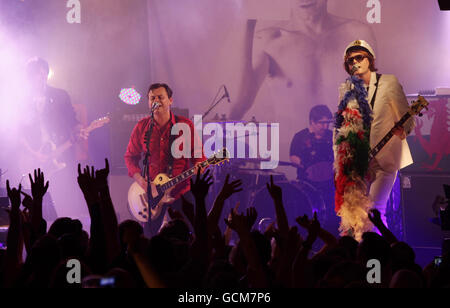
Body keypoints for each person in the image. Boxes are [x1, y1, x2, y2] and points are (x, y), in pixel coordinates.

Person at [229, 0, 376, 161]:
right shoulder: (270, 40)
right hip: (291, 165)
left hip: (346, 162)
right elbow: (239, 104)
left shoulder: (357, 34)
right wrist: (247, 24)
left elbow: (371, 104)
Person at [335, 40, 414, 237]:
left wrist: (401, 129)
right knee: (354, 214)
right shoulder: (347, 89)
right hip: (357, 162)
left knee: (374, 212)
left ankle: (377, 253)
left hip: (384, 159)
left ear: (369, 59)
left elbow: (407, 118)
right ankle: (356, 254)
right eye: (350, 60)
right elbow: (341, 127)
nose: (355, 62)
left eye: (359, 57)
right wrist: (340, 161)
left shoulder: (389, 82)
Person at [124, 83, 206, 237]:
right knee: (148, 237)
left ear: (170, 101)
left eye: (161, 97)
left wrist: (200, 166)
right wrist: (143, 182)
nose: (156, 101)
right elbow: (130, 157)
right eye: (152, 98)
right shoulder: (142, 127)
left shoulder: (184, 125)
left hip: (181, 190)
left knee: (193, 234)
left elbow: (199, 155)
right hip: (151, 194)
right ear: (148, 102)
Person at [17, 57, 87, 219]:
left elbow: (72, 120)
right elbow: (18, 133)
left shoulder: (60, 96)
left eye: (44, 73)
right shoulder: (22, 100)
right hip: (33, 158)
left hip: (59, 157)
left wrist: (79, 129)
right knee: (34, 204)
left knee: (64, 200)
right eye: (37, 74)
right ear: (29, 77)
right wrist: (34, 154)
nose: (41, 77)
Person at [289, 104, 338, 234]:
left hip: (329, 185)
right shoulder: (300, 137)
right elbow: (293, 156)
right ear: (312, 121)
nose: (325, 126)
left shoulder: (332, 136)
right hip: (307, 184)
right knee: (307, 212)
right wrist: (305, 165)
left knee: (331, 215)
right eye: (322, 123)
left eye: (328, 123)